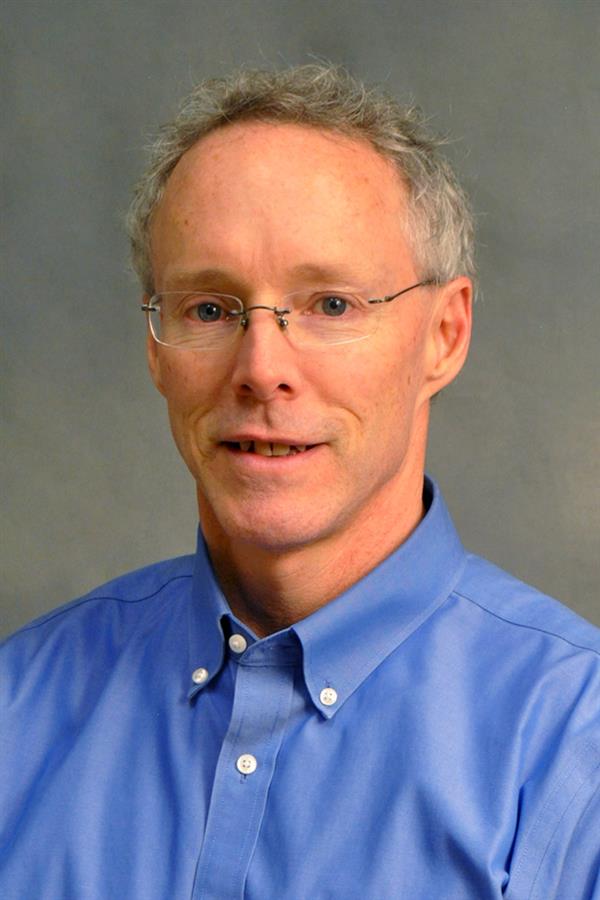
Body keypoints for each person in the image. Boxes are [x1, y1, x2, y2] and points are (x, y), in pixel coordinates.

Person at [1, 65, 598, 900]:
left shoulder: (577, 747)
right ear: (154, 346)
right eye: (210, 309)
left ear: (444, 335)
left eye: (331, 305)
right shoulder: (17, 710)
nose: (262, 369)